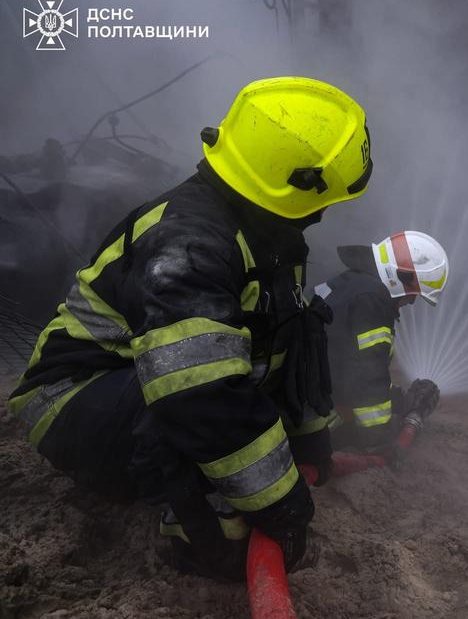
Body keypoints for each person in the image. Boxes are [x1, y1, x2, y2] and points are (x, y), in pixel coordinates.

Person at [6, 76, 373, 581]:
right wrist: (278, 503)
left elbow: (293, 341)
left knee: (235, 389)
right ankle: (192, 535)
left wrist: (310, 439)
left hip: (145, 386)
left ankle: (214, 494)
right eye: (326, 197)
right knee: (203, 419)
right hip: (75, 400)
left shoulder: (268, 231)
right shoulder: (189, 245)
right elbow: (199, 393)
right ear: (291, 184)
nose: (326, 211)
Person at [314, 231, 446, 454]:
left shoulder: (351, 283)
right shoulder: (372, 302)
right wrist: (387, 429)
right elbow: (367, 378)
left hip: (307, 399)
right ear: (400, 277)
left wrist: (400, 400)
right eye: (414, 293)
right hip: (318, 421)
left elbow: (348, 368)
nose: (412, 301)